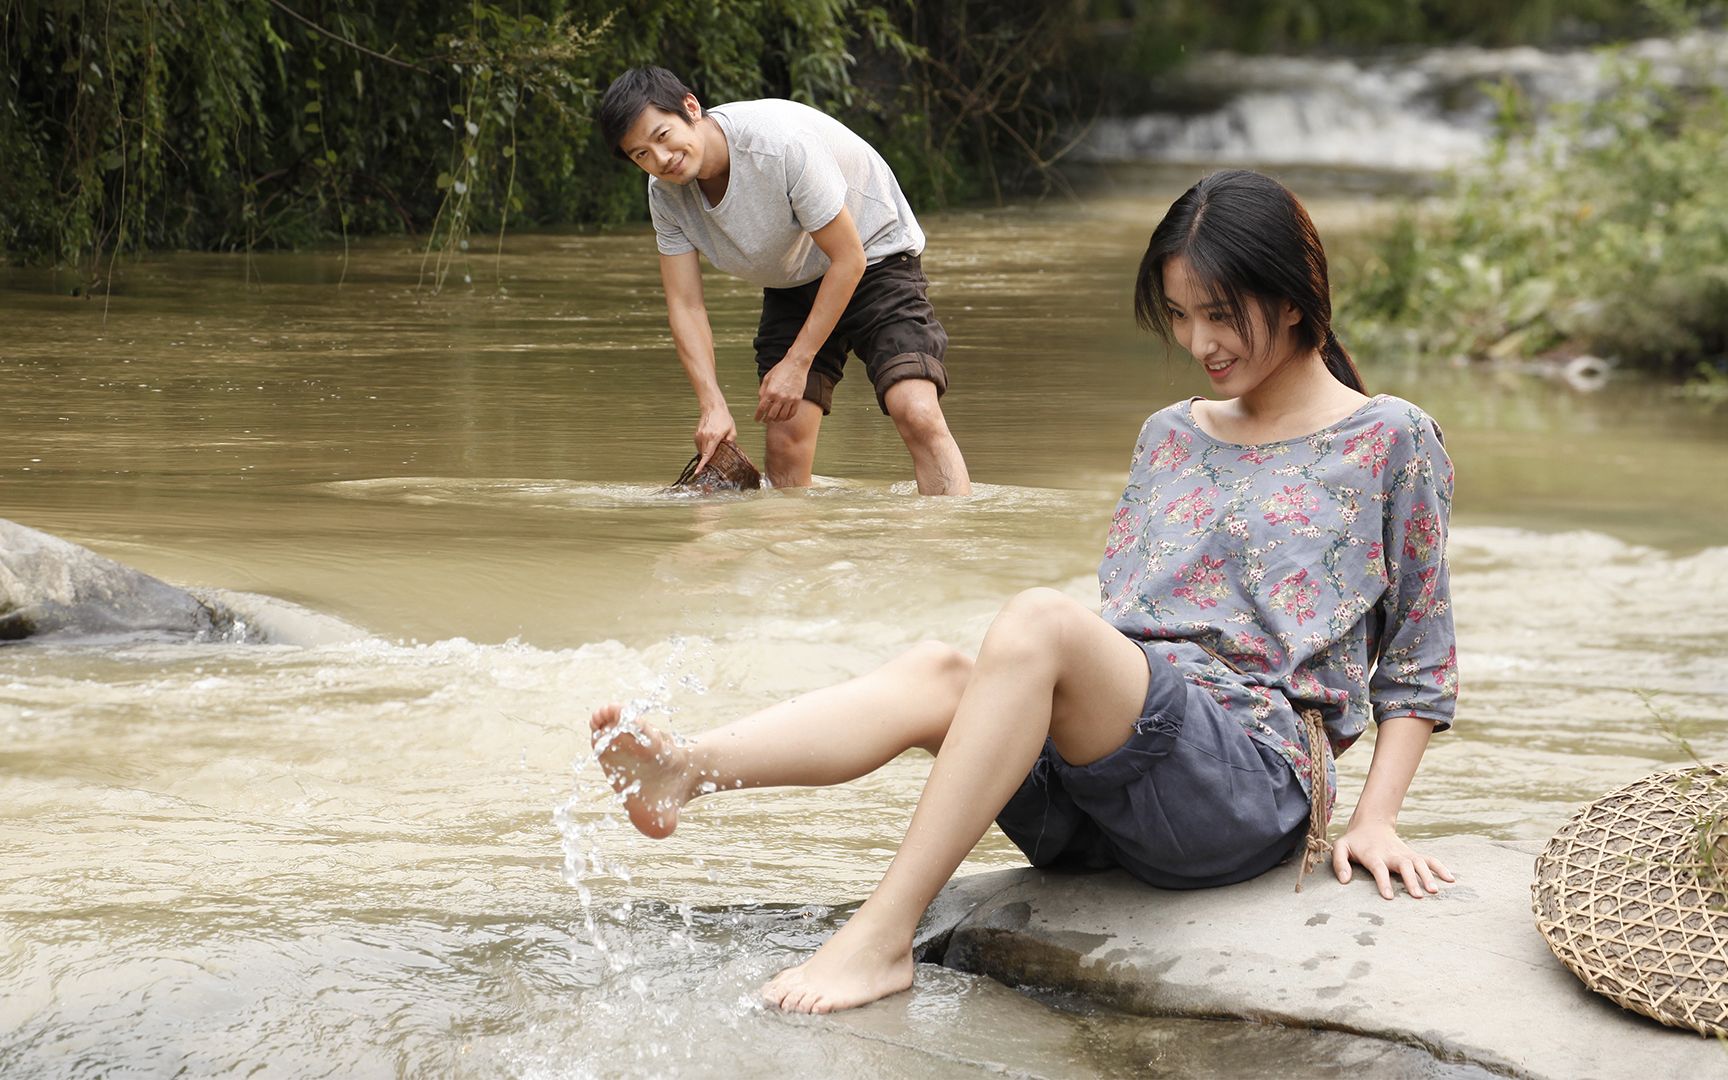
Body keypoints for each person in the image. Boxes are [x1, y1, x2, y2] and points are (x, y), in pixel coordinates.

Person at [588, 169, 1459, 1013]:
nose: (1201, 344)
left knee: (1042, 621)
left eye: (1222, 315)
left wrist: (1374, 820)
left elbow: (1418, 659)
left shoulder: (1389, 438)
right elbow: (1134, 635)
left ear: (1297, 295)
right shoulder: (1169, 434)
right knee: (939, 672)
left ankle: (881, 937)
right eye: (1183, 316)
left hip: (1249, 782)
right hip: (1116, 789)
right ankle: (683, 773)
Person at [598, 67, 971, 495]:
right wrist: (712, 404)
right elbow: (686, 304)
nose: (660, 160)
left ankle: (951, 547)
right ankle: (792, 555)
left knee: (915, 410)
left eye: (662, 136)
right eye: (641, 154)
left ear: (690, 107)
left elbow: (848, 260)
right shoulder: (664, 194)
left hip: (875, 257)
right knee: (785, 442)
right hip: (793, 279)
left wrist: (797, 363)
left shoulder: (780, 146)